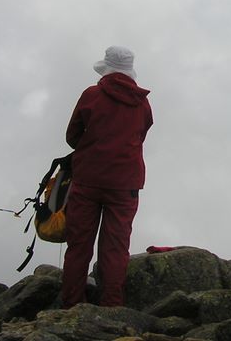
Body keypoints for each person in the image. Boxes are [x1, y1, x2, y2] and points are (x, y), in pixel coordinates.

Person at [61, 46, 153, 308]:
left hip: (88, 179)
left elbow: (72, 136)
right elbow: (141, 133)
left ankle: (71, 305)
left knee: (79, 245)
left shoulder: (91, 95)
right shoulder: (143, 104)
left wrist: (91, 150)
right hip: (126, 184)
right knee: (115, 247)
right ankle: (112, 307)